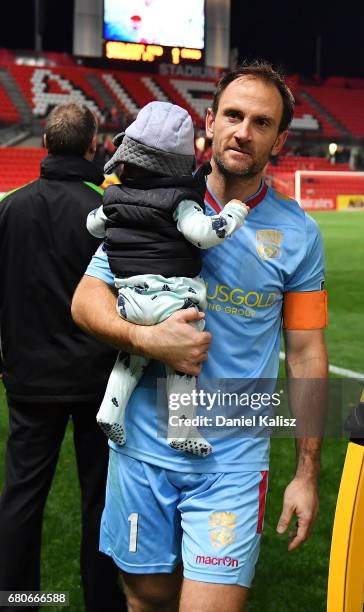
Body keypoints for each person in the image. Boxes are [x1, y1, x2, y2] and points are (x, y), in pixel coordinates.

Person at [72, 61, 329, 612]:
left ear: (280, 139)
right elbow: (85, 301)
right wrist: (145, 340)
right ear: (208, 122)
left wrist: (307, 473)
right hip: (141, 450)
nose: (243, 131)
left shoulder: (299, 235)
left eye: (261, 123)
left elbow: (306, 355)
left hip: (232, 463)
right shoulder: (150, 200)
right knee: (148, 602)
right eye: (233, 116)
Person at [0, 103, 126, 612]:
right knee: (99, 497)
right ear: (94, 148)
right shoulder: (104, 216)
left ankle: (17, 600)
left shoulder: (10, 208)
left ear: (45, 146)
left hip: (29, 378)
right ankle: (102, 602)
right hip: (97, 379)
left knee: (22, 496)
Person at [87, 101, 248, 454]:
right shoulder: (180, 199)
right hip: (173, 303)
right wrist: (234, 212)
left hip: (128, 302)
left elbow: (93, 224)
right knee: (184, 357)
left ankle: (109, 409)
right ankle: (181, 426)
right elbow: (204, 233)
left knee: (130, 358)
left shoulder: (113, 196)